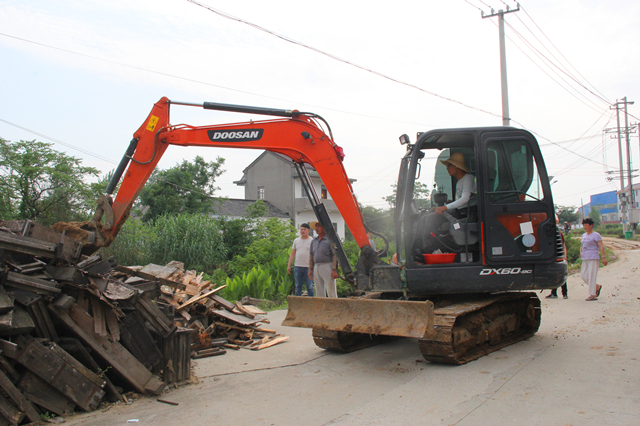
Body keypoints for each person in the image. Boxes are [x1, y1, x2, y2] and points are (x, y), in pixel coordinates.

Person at [421, 152, 476, 251]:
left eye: (449, 166)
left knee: (430, 218)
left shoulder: (468, 178)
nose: (447, 168)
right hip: (459, 211)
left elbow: (465, 199)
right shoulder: (460, 181)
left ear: (457, 166)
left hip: (466, 214)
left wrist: (444, 207)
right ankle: (420, 246)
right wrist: (450, 204)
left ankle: (428, 249)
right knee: (425, 216)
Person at [308, 221, 338, 298]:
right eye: (316, 226)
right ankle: (321, 307)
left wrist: (334, 269)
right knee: (318, 289)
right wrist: (310, 269)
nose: (317, 228)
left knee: (330, 289)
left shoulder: (329, 240)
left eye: (319, 226)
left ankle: (334, 306)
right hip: (317, 266)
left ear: (324, 228)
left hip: (327, 265)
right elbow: (311, 255)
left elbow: (334, 255)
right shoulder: (314, 241)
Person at [580, 218, 607, 301]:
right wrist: (581, 253)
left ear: (591, 225)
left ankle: (592, 294)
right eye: (584, 225)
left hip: (593, 256)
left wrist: (603, 257)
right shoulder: (584, 235)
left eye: (586, 225)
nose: (585, 227)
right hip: (585, 257)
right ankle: (596, 287)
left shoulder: (596, 235)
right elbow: (582, 245)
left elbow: (601, 246)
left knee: (591, 275)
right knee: (583, 275)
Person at [286, 223, 314, 297]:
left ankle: (312, 303)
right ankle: (297, 303)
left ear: (308, 230)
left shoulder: (312, 240)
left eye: (304, 229)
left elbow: (314, 253)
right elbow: (292, 253)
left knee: (310, 286)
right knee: (298, 286)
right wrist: (289, 265)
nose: (302, 231)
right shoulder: (296, 240)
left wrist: (312, 266)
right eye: (301, 229)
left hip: (308, 267)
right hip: (297, 266)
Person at [547, 214, 568, 299]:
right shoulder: (550, 233)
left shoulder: (558, 233)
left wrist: (565, 255)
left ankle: (564, 293)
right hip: (553, 256)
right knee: (555, 274)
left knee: (559, 274)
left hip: (557, 256)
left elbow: (563, 245)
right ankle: (554, 292)